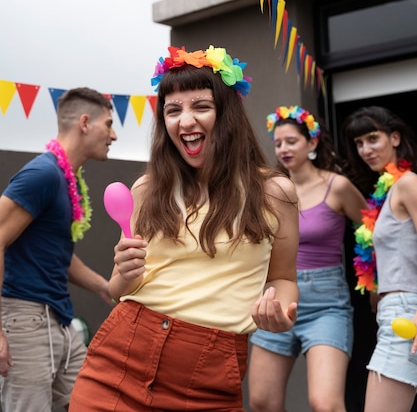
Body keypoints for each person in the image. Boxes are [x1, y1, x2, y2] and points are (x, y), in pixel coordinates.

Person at [69, 45, 299, 412]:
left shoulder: (276, 193)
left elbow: (284, 278)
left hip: (208, 377)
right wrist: (122, 273)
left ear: (227, 115)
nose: (185, 121)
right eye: (173, 111)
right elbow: (118, 289)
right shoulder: (145, 190)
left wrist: (281, 313)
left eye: (201, 107)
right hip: (119, 359)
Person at [0, 86, 118, 412]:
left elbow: (53, 254)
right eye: (108, 124)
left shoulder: (68, 179)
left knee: (92, 402)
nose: (114, 135)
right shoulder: (43, 174)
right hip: (25, 322)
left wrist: (104, 287)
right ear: (84, 122)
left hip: (59, 320)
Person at [249, 105, 367, 412]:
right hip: (276, 297)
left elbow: (373, 230)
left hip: (326, 303)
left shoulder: (336, 186)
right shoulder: (271, 190)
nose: (283, 149)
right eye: (277, 144)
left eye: (291, 141)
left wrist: (373, 280)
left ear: (312, 143)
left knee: (325, 404)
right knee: (262, 402)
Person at [342, 105, 417, 412]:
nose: (365, 149)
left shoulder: (408, 183)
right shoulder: (386, 191)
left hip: (408, 314)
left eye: (373, 139)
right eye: (359, 143)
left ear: (395, 138)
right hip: (394, 313)